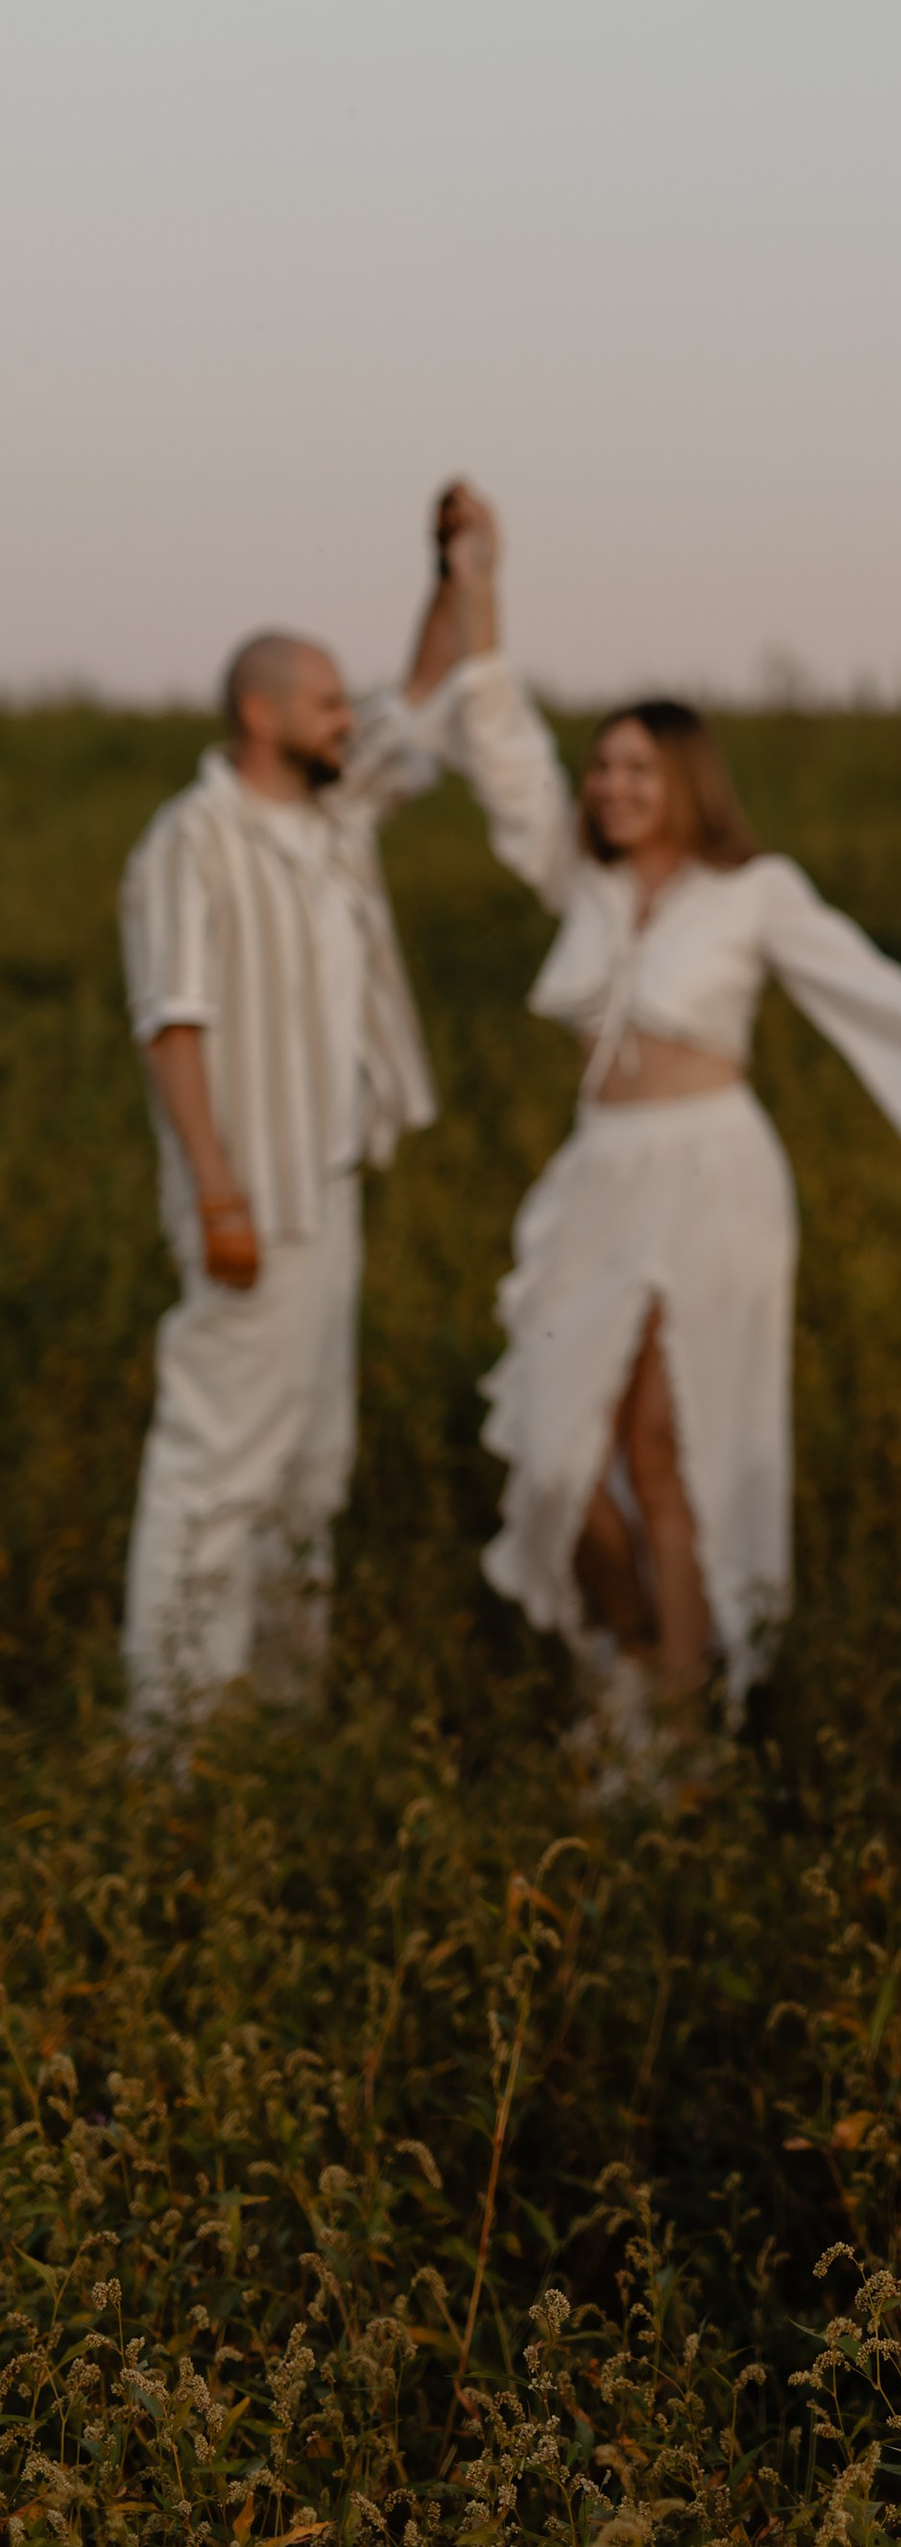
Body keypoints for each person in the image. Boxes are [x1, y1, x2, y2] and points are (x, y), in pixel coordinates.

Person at [421, 490, 901, 1750]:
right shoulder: (584, 883)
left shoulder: (752, 893)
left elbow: (869, 992)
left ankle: (682, 1713)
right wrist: (478, 580)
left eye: (633, 769)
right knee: (563, 1459)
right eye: (600, 768)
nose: (608, 786)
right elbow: (504, 748)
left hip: (712, 1172)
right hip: (601, 1175)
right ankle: (629, 1658)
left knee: (670, 1444)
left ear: (684, 781)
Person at [119, 514, 485, 1725]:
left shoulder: (331, 812)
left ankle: (279, 1713)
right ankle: (173, 1740)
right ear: (264, 715)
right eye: (329, 703)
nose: (350, 719)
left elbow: (421, 700)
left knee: (310, 1468)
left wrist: (455, 574)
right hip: (251, 1194)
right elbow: (174, 1024)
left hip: (328, 1183)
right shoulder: (194, 840)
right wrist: (216, 1194)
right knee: (215, 1465)